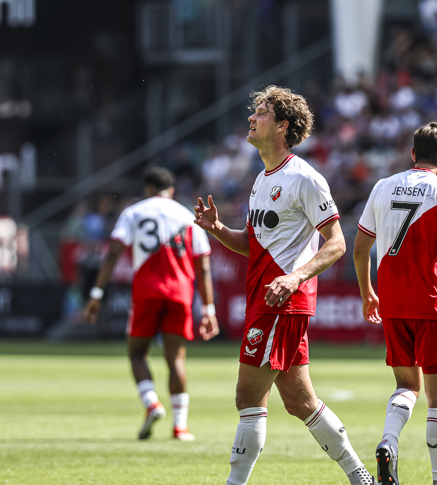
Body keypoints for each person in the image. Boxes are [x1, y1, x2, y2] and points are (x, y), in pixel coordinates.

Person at [194, 85, 377, 485]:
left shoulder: (304, 178)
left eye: (260, 112)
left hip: (281, 301)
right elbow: (251, 243)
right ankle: (360, 476)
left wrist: (294, 277)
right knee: (299, 401)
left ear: (282, 126)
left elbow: (338, 243)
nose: (251, 118)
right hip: (267, 298)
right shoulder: (262, 179)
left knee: (248, 397)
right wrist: (218, 229)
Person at [352, 122, 437, 485]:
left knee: (407, 385)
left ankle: (388, 442)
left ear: (412, 153)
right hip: (432, 303)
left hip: (393, 301)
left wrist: (368, 293)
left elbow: (360, 249)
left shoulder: (381, 187)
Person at [84, 167, 219, 441]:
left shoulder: (134, 212)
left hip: (146, 292)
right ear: (171, 190)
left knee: (136, 353)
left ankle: (151, 404)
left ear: (147, 189)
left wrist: (96, 294)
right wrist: (208, 310)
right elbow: (203, 266)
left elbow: (113, 254)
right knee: (176, 359)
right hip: (180, 293)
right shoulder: (186, 215)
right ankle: (180, 427)